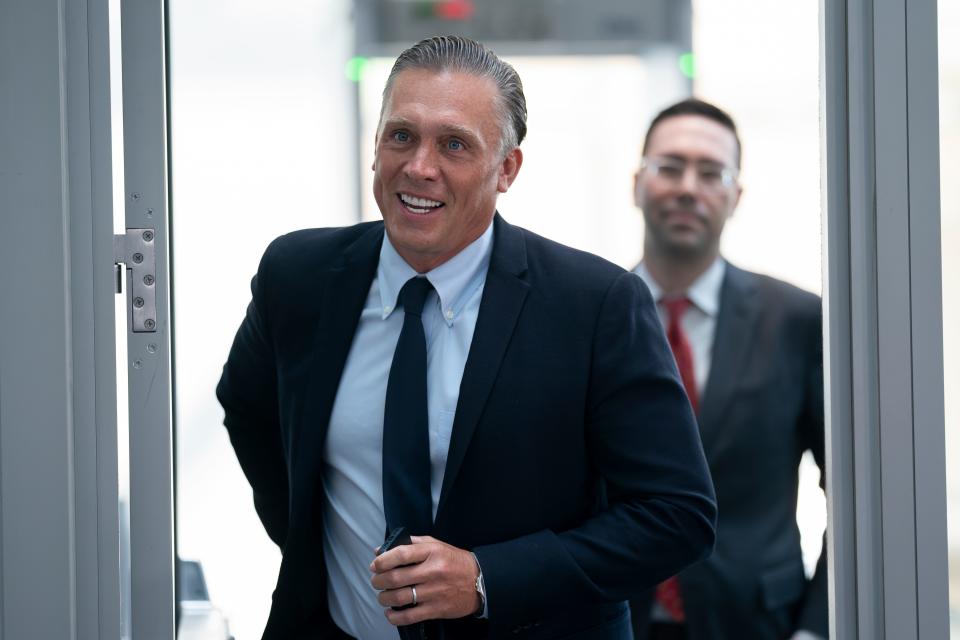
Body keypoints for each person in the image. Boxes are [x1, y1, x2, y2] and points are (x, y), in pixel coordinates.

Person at [217, 36, 716, 640]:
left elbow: (675, 516)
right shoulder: (297, 276)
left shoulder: (596, 305)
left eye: (454, 144)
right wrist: (312, 541)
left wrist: (486, 579)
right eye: (401, 135)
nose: (420, 166)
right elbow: (248, 409)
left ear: (506, 168)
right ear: (374, 146)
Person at [626, 98, 827, 640]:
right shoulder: (595, 317)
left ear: (735, 196)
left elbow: (853, 493)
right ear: (638, 184)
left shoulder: (797, 320)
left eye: (711, 172)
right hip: (620, 618)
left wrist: (815, 627)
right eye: (669, 167)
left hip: (760, 621)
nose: (688, 186)